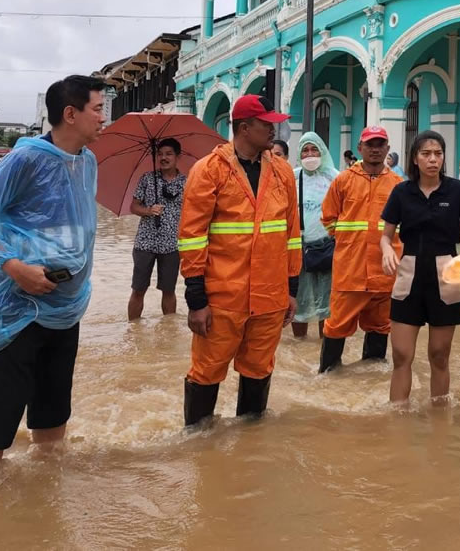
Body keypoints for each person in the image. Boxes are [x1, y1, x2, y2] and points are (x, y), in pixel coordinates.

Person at [0, 75, 106, 477]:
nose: (103, 118)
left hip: (65, 308)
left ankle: (42, 494)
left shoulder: (88, 161)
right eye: (98, 109)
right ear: (70, 114)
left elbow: (76, 227)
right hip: (17, 309)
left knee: (53, 409)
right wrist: (15, 268)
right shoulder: (26, 159)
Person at [177, 94, 301, 425]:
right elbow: (192, 238)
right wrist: (196, 299)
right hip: (222, 297)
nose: (275, 129)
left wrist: (292, 288)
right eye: (267, 124)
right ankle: (200, 445)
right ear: (244, 128)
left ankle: (250, 448)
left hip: (270, 297)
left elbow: (292, 234)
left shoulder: (283, 172)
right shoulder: (208, 171)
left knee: (259, 368)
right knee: (207, 371)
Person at [380, 130, 460, 403]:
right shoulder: (401, 192)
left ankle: (440, 418)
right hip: (408, 276)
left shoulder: (457, 190)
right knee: (401, 355)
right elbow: (386, 235)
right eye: (426, 154)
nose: (433, 159)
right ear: (415, 159)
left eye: (438, 154)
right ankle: (398, 418)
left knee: (439, 355)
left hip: (447, 277)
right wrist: (386, 250)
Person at [318, 126, 403, 372]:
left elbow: (406, 226)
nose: (375, 149)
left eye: (380, 144)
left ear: (387, 148)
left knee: (380, 327)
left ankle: (370, 381)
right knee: (336, 326)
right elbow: (328, 218)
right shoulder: (343, 180)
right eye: (370, 144)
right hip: (350, 272)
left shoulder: (398, 185)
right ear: (360, 148)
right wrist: (349, 243)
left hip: (385, 273)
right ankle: (328, 379)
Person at [127, 137, 186, 320]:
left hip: (172, 244)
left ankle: (168, 330)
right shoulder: (147, 179)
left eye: (169, 154)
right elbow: (133, 206)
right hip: (145, 243)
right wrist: (148, 210)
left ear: (178, 156)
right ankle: (133, 329)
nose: (163, 158)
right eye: (160, 154)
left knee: (169, 290)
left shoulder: (188, 182)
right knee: (138, 289)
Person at [292, 132, 338, 339]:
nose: (310, 154)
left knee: (327, 304)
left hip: (328, 248)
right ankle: (299, 345)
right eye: (305, 150)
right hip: (298, 249)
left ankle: (323, 347)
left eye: (314, 149)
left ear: (322, 151)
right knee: (298, 301)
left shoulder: (335, 178)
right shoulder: (292, 176)